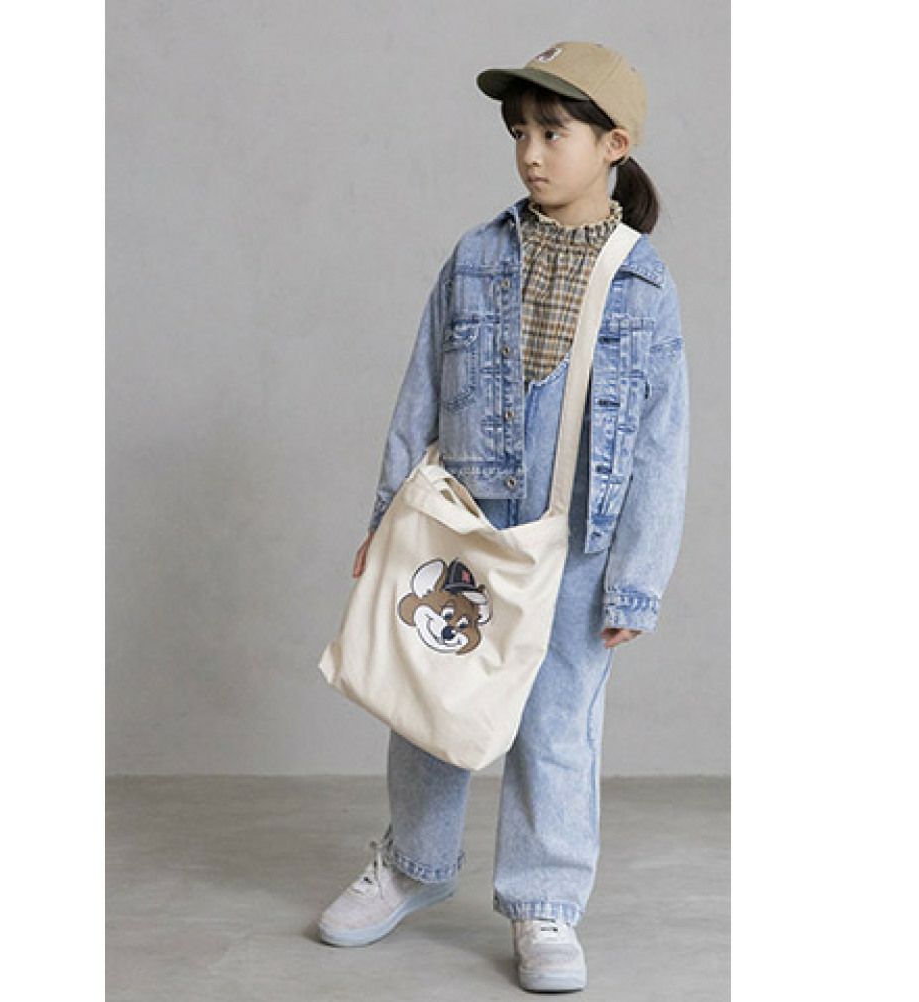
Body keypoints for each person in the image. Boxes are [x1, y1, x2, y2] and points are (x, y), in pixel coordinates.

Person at [317, 41, 688, 994]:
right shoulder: (476, 258)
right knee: (429, 700)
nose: (530, 152)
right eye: (520, 131)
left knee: (558, 726)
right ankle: (414, 864)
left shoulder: (643, 284)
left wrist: (637, 578)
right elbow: (420, 392)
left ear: (614, 145)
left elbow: (661, 440)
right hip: (463, 529)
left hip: (579, 545)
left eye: (553, 133)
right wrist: (387, 517)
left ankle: (544, 902)